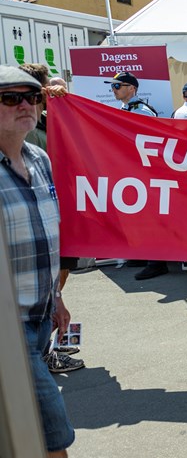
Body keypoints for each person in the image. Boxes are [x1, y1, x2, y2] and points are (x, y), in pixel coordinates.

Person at [1, 65, 76, 456]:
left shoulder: (39, 158)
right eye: (10, 98)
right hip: (7, 332)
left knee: (21, 436)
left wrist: (57, 298)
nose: (26, 105)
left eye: (32, 97)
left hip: (39, 318)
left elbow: (43, 237)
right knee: (53, 437)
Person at [105, 71, 170, 280]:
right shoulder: (126, 108)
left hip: (145, 170)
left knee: (150, 216)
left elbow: (151, 142)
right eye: (113, 86)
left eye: (118, 86)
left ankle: (157, 261)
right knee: (138, 214)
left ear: (131, 88)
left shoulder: (142, 111)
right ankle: (145, 254)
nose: (113, 90)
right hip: (131, 169)